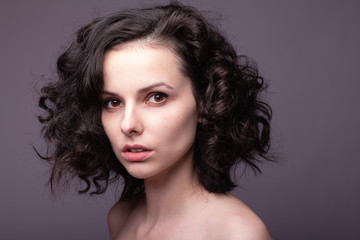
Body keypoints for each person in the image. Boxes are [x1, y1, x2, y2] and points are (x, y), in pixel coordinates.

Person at [38, 2, 273, 239]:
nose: (128, 124)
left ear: (205, 102)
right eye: (113, 102)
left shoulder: (237, 234)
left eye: (157, 97)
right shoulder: (121, 218)